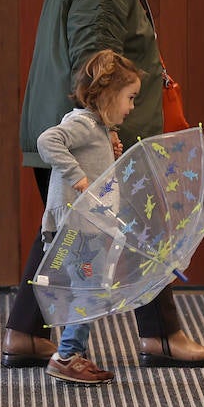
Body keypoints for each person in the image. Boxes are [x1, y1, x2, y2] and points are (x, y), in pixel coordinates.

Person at [3, 0, 204, 369]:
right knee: (130, 224)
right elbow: (95, 62)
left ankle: (26, 333)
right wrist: (111, 133)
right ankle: (159, 336)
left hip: (71, 128)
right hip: (91, 135)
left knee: (69, 230)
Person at [34, 49, 143, 385]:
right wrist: (78, 176)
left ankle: (73, 354)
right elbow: (47, 141)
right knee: (91, 289)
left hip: (87, 227)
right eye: (130, 98)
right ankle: (67, 356)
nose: (132, 107)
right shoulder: (82, 123)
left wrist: (108, 151)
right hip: (76, 227)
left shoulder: (98, 128)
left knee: (92, 288)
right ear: (109, 96)